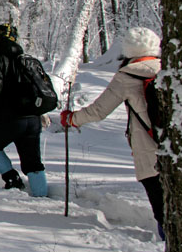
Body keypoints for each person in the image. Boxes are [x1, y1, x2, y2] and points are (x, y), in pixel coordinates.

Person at [59, 27, 165, 240]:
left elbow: (99, 111)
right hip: (180, 148)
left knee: (161, 207)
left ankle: (169, 246)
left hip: (148, 148)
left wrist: (72, 119)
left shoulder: (129, 74)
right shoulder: (169, 70)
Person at [0, 23, 48, 197]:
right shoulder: (25, 58)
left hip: (9, 115)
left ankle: (12, 179)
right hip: (32, 117)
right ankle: (41, 195)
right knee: (33, 162)